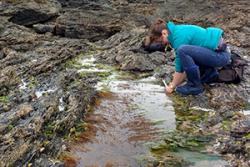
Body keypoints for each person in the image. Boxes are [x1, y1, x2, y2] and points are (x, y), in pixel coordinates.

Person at [146, 18, 231, 95]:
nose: (162, 43)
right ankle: (209, 74)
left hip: (220, 56)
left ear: (164, 33)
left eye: (160, 40)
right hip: (217, 55)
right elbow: (186, 64)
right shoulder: (177, 31)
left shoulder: (178, 36)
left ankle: (195, 86)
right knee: (186, 51)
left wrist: (172, 86)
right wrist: (176, 82)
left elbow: (180, 67)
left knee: (182, 50)